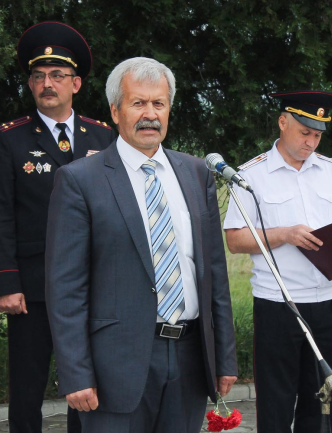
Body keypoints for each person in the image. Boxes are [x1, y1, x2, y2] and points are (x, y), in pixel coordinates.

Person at [45, 57, 238, 433]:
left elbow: (214, 272)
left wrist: (224, 358)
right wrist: (75, 372)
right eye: (138, 103)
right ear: (115, 111)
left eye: (158, 103)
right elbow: (65, 288)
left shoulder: (196, 174)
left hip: (189, 359)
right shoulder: (80, 180)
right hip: (114, 366)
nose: (150, 114)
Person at [0, 21, 116, 433]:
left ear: (76, 83)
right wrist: (6, 283)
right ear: (30, 84)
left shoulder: (104, 137)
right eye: (38, 76)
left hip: (93, 283)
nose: (47, 84)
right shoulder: (9, 139)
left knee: (89, 383)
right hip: (33, 286)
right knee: (27, 387)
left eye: (57, 75)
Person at [223, 90, 332, 433]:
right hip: (278, 305)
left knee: (323, 403)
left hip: (328, 302)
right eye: (304, 133)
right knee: (276, 402)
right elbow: (235, 240)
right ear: (283, 122)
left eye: (317, 135)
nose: (310, 142)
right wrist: (284, 234)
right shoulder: (251, 175)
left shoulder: (331, 171)